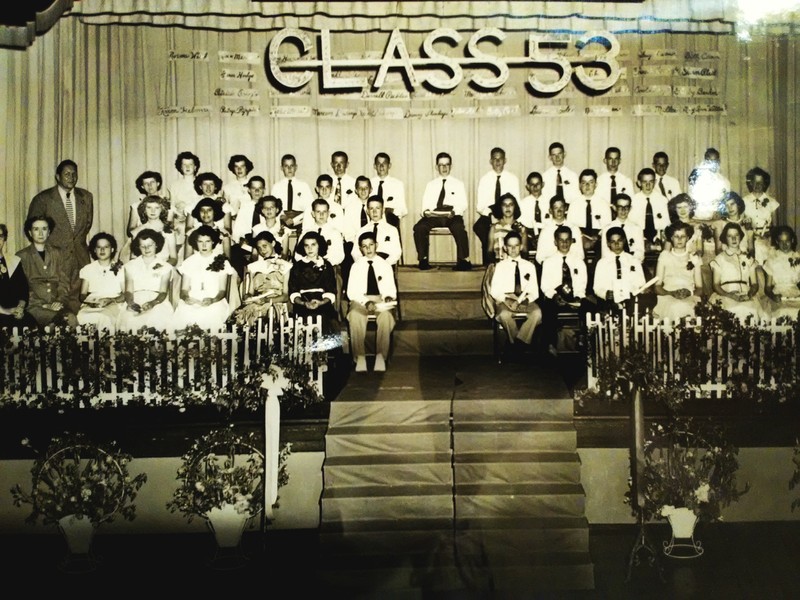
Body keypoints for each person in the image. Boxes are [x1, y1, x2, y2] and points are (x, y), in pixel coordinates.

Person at [28, 159, 94, 313]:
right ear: (57, 177)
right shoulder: (43, 199)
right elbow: (33, 228)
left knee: (79, 303)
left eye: (74, 174)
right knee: (58, 303)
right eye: (66, 174)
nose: (71, 177)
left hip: (80, 257)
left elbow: (87, 224)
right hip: (55, 258)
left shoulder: (86, 197)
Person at [347, 231, 397, 373]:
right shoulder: (356, 266)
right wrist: (365, 302)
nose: (368, 249)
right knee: (355, 316)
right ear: (360, 249)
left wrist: (387, 297)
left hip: (379, 299)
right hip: (360, 299)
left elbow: (390, 289)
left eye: (371, 245)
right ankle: (360, 356)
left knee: (386, 316)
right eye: (364, 246)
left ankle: (381, 356)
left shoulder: (385, 265)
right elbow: (351, 292)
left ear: (377, 245)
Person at [539, 226, 593, 357]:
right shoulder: (548, 262)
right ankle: (551, 344)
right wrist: (555, 296)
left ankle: (585, 340)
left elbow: (581, 285)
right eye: (561, 240)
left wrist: (579, 297)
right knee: (548, 309)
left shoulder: (579, 262)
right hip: (556, 297)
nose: (564, 243)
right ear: (555, 242)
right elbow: (545, 286)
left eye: (567, 240)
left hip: (574, 297)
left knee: (589, 308)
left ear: (572, 241)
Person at [413, 151, 471, 271]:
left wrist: (454, 212)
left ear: (451, 166)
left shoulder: (458, 184)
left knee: (459, 228)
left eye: (447, 164)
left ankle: (462, 260)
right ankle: (423, 259)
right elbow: (424, 206)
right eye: (441, 165)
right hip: (434, 216)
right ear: (436, 167)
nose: (444, 168)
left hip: (452, 215)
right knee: (419, 227)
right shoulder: (431, 185)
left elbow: (463, 204)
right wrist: (426, 212)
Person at [16, 215, 78, 327]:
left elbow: (64, 283)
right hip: (34, 307)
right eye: (36, 229)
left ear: (49, 232)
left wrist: (59, 301)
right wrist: (43, 305)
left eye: (44, 229)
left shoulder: (57, 253)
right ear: (30, 233)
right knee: (56, 324)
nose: (40, 233)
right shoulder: (22, 256)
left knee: (71, 319)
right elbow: (22, 289)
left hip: (57, 305)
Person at [173, 225, 236, 332]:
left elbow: (222, 290)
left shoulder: (222, 261)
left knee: (212, 314)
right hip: (193, 299)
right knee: (184, 313)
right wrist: (186, 298)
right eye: (200, 241)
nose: (204, 245)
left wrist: (213, 300)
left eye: (207, 241)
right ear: (196, 243)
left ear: (213, 242)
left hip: (214, 300)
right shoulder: (189, 262)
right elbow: (184, 290)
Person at [489, 231, 542, 352]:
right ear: (505, 248)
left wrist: (525, 301)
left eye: (516, 245)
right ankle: (520, 346)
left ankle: (518, 344)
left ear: (521, 247)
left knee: (537, 313)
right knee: (504, 315)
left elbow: (535, 291)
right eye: (510, 246)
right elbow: (495, 290)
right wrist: (507, 300)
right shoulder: (500, 266)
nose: (513, 249)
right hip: (507, 299)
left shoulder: (529, 266)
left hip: (524, 299)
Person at [117, 229, 175, 333]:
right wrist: (130, 303)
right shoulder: (130, 266)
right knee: (130, 318)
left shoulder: (166, 267)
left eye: (150, 245)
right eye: (143, 246)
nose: (146, 248)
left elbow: (163, 292)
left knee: (156, 317)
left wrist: (153, 303)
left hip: (157, 301)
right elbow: (129, 291)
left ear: (156, 245)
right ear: (138, 247)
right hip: (135, 298)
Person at [232, 230, 292, 327]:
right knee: (239, 319)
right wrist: (249, 298)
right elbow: (249, 293)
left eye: (265, 246)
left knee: (265, 320)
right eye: (259, 248)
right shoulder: (253, 267)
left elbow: (285, 296)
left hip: (275, 304)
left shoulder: (286, 266)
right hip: (256, 303)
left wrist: (267, 301)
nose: (262, 251)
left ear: (273, 243)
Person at [708, 222, 765, 323]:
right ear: (725, 238)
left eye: (736, 235)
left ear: (741, 237)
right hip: (725, 294)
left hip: (746, 294)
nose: (734, 239)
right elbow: (716, 285)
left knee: (750, 310)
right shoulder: (720, 259)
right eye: (730, 236)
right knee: (730, 311)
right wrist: (730, 295)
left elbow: (755, 284)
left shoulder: (748, 259)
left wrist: (749, 294)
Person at [474, 147, 520, 266]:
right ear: (490, 161)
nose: (498, 162)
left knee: (517, 230)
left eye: (500, 159)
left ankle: (512, 264)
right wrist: (491, 216)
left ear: (505, 160)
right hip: (490, 214)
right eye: (495, 159)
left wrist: (506, 217)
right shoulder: (485, 179)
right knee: (481, 228)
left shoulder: (512, 179)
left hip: (508, 214)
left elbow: (516, 203)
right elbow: (480, 206)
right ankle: (489, 265)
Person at [592, 227, 653, 317]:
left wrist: (643, 290)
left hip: (630, 299)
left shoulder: (633, 261)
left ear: (624, 241)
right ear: (608, 243)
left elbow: (640, 284)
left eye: (619, 240)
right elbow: (597, 288)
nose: (616, 244)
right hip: (610, 301)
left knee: (645, 301)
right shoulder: (602, 263)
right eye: (613, 242)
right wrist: (605, 294)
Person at [289, 230, 339, 334]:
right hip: (303, 304)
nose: (309, 248)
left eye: (313, 245)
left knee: (326, 321)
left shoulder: (326, 265)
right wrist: (304, 303)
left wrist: (321, 302)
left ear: (319, 245)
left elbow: (331, 290)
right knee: (305, 320)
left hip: (323, 304)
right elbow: (293, 291)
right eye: (306, 245)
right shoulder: (297, 266)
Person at [653, 222, 704, 322]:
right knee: (675, 307)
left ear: (688, 238)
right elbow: (657, 286)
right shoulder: (665, 256)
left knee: (688, 309)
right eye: (676, 236)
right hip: (668, 296)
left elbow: (700, 288)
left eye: (683, 236)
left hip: (689, 297)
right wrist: (671, 293)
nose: (680, 239)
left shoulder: (694, 257)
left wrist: (690, 293)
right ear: (671, 238)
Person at [77, 232, 125, 333]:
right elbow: (82, 295)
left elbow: (125, 295)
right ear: (94, 250)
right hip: (92, 304)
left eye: (106, 247)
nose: (102, 250)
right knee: (82, 316)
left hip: (113, 303)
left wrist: (111, 300)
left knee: (104, 317)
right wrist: (90, 303)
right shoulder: (88, 269)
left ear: (112, 249)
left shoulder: (120, 269)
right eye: (99, 247)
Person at [566, 169, 612, 259]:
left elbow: (607, 227)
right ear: (579, 185)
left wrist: (596, 238)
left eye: (590, 182)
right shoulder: (574, 204)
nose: (587, 186)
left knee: (604, 254)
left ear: (596, 184)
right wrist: (582, 238)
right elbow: (570, 227)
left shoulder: (604, 204)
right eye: (584, 183)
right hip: (580, 238)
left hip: (599, 239)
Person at [0, 223, 37, 330]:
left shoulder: (14, 261)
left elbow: (23, 290)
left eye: (0, 236)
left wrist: (20, 308)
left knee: (29, 325)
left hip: (14, 312)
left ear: (4, 239)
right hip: (2, 312)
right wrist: (6, 311)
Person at [123, 195, 178, 266]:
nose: (153, 211)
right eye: (149, 207)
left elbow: (174, 259)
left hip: (162, 268)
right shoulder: (137, 231)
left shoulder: (168, 231)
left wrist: (161, 267)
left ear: (162, 209)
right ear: (144, 210)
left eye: (157, 208)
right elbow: (133, 257)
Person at [231, 175, 267, 277]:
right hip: (248, 243)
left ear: (264, 190)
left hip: (264, 243)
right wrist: (241, 240)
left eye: (259, 188)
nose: (256, 191)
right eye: (253, 188)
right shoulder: (244, 207)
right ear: (249, 190)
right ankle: (246, 279)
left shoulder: (268, 206)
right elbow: (237, 232)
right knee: (234, 251)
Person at [350, 195, 402, 267]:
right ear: (367, 211)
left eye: (377, 208)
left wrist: (384, 265)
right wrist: (364, 264)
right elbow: (355, 252)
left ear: (383, 210)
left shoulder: (392, 230)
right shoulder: (361, 230)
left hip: (385, 265)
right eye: (371, 209)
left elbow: (397, 252)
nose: (374, 212)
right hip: (366, 265)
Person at [742, 166, 779, 265]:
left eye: (761, 182)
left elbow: (775, 227)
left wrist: (769, 236)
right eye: (755, 182)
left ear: (765, 184)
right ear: (750, 183)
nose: (758, 185)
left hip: (766, 239)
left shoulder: (772, 202)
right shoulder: (744, 201)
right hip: (748, 239)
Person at [763, 226, 800, 321]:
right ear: (776, 241)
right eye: (781, 241)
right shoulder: (772, 259)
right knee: (783, 312)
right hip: (778, 294)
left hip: (795, 294)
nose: (784, 244)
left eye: (787, 241)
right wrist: (773, 296)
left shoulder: (798, 258)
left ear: (792, 240)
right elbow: (767, 288)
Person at [167, 151, 202, 250]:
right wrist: (170, 223)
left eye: (190, 164)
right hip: (180, 220)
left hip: (198, 220)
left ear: (195, 167)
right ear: (180, 167)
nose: (187, 167)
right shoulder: (175, 185)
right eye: (184, 164)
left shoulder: (201, 182)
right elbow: (172, 207)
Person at [535, 196, 583, 265]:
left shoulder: (574, 229)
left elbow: (580, 254)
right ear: (550, 211)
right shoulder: (546, 231)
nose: (559, 211)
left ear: (565, 208)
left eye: (561, 207)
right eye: (556, 208)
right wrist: (548, 266)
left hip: (572, 265)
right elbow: (540, 257)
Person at [631, 167, 670, 252]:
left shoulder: (662, 200)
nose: (648, 185)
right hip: (638, 239)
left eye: (651, 182)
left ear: (655, 182)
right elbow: (631, 225)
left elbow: (666, 224)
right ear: (639, 183)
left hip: (658, 240)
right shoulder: (633, 201)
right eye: (645, 182)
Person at [271, 153, 313, 231]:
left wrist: (295, 220)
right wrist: (283, 217)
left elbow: (310, 207)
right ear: (281, 168)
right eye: (286, 166)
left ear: (296, 167)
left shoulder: (304, 186)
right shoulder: (276, 187)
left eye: (292, 166)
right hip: (281, 220)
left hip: (301, 221)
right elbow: (273, 206)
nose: (289, 168)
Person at [600, 194, 645, 262]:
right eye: (620, 207)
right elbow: (605, 253)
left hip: (632, 264)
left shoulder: (636, 228)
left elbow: (640, 252)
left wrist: (629, 262)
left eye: (626, 207)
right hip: (613, 264)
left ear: (630, 208)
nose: (623, 210)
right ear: (614, 208)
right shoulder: (607, 228)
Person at [688, 147, 729, 221]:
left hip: (717, 220)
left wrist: (720, 211)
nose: (712, 164)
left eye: (715, 161)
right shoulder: (696, 178)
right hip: (698, 219)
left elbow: (726, 202)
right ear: (705, 162)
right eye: (709, 161)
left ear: (719, 161)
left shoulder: (725, 182)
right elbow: (692, 200)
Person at [370, 152, 408, 230]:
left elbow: (403, 209)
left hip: (390, 222)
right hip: (371, 221)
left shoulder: (397, 184)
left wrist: (389, 212)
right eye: (378, 164)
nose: (381, 166)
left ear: (389, 165)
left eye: (384, 163)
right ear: (374, 166)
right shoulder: (369, 183)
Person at [488, 193, 528, 262]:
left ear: (515, 207)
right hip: (499, 265)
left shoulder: (521, 228)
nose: (507, 207)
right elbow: (489, 251)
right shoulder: (494, 228)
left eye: (511, 205)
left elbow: (525, 252)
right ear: (500, 207)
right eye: (504, 205)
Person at [128, 171, 169, 237]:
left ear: (158, 183)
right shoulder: (136, 206)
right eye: (146, 183)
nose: (149, 185)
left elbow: (169, 226)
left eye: (152, 182)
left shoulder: (167, 203)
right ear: (142, 186)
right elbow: (131, 229)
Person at [712, 192, 754, 257]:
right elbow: (718, 250)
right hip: (727, 261)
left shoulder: (747, 223)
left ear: (738, 204)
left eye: (732, 204)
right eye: (726, 206)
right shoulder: (720, 224)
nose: (730, 208)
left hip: (744, 260)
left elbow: (751, 250)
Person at [250, 195, 289, 259]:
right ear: (262, 211)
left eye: (272, 207)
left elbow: (284, 254)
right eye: (266, 208)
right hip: (261, 263)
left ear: (277, 210)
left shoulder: (285, 230)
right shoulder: (256, 229)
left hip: (278, 263)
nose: (269, 210)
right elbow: (254, 253)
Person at [518, 171, 548, 254]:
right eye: (532, 184)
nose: (535, 187)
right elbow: (521, 224)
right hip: (529, 236)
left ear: (543, 185)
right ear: (527, 186)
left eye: (538, 184)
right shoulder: (522, 204)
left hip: (546, 234)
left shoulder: (549, 202)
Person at [222, 154, 255, 219]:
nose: (239, 169)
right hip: (234, 222)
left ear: (247, 168)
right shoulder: (227, 187)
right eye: (236, 166)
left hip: (251, 220)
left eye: (242, 166)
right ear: (233, 169)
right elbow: (224, 207)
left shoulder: (254, 184)